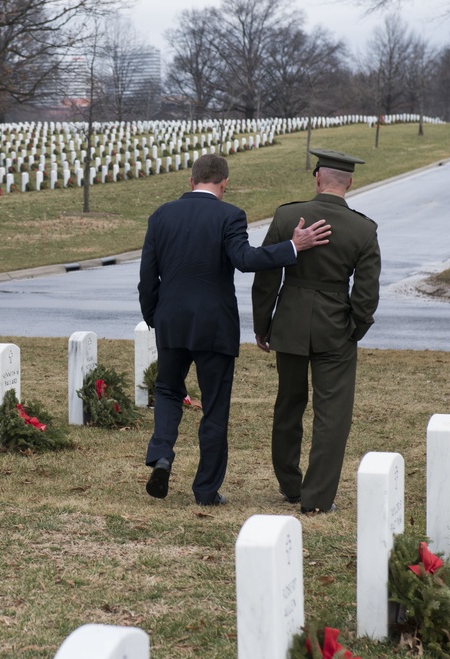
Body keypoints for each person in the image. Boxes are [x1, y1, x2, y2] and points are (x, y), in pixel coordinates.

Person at [138, 153, 331, 506]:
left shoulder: (161, 215)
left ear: (190, 180)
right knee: (214, 407)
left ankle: (162, 455)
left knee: (167, 390)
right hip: (214, 326)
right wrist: (293, 246)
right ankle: (206, 490)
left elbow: (148, 277)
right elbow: (245, 260)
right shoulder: (230, 215)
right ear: (224, 184)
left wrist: (155, 316)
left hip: (171, 321)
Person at [251, 149, 381, 515]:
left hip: (289, 323)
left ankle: (290, 485)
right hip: (335, 328)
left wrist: (264, 324)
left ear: (318, 178)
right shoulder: (363, 229)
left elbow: (267, 276)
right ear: (350, 182)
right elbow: (367, 293)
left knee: (289, 404)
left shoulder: (288, 215)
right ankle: (318, 498)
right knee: (332, 414)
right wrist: (354, 328)